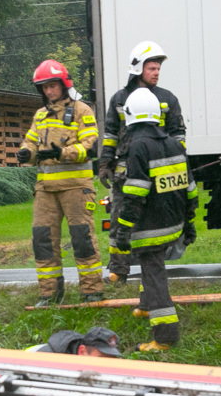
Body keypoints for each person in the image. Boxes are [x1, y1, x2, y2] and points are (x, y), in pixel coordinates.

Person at [112, 88, 198, 352]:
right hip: (173, 224)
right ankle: (146, 306)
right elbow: (190, 189)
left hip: (150, 228)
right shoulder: (174, 143)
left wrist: (123, 231)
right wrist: (190, 222)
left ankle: (164, 336)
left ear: (130, 116)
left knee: (154, 276)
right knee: (153, 268)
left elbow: (135, 195)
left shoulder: (138, 146)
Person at [99, 40, 187, 286]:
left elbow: (178, 136)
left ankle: (154, 267)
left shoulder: (167, 99)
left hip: (156, 171)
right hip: (124, 171)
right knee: (119, 219)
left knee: (153, 220)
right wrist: (105, 162)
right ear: (137, 68)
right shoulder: (119, 99)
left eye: (158, 68)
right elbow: (111, 134)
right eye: (152, 68)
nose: (157, 72)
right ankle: (118, 270)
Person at [19, 59, 103, 307]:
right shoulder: (41, 115)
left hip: (76, 188)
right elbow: (31, 142)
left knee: (82, 239)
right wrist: (26, 153)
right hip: (45, 190)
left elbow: (91, 146)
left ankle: (92, 291)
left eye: (53, 85)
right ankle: (49, 293)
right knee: (43, 240)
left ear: (63, 85)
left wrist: (63, 153)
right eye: (44, 87)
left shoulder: (82, 110)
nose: (49, 91)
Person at [25, 326, 122, 358]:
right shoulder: (52, 364)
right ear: (82, 351)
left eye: (112, 359)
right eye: (101, 358)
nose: (108, 364)